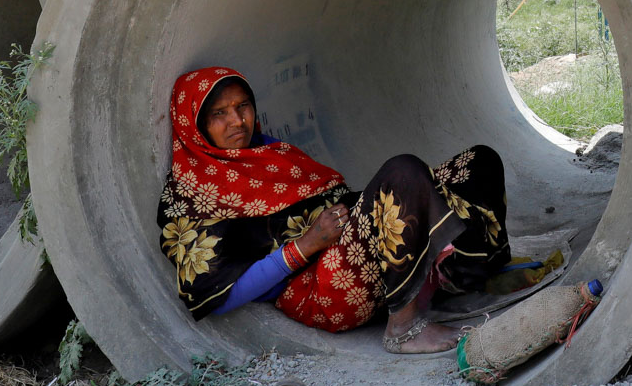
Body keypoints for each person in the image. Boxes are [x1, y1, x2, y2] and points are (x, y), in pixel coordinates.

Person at [157, 68, 514, 354]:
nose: (237, 121)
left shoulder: (267, 153)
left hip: (347, 242)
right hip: (320, 289)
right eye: (219, 113)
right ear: (195, 125)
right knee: (403, 172)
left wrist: (367, 207)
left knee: (478, 162)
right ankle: (405, 327)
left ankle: (454, 275)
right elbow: (214, 298)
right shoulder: (191, 194)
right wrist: (304, 247)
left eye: (243, 106)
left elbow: (330, 198)